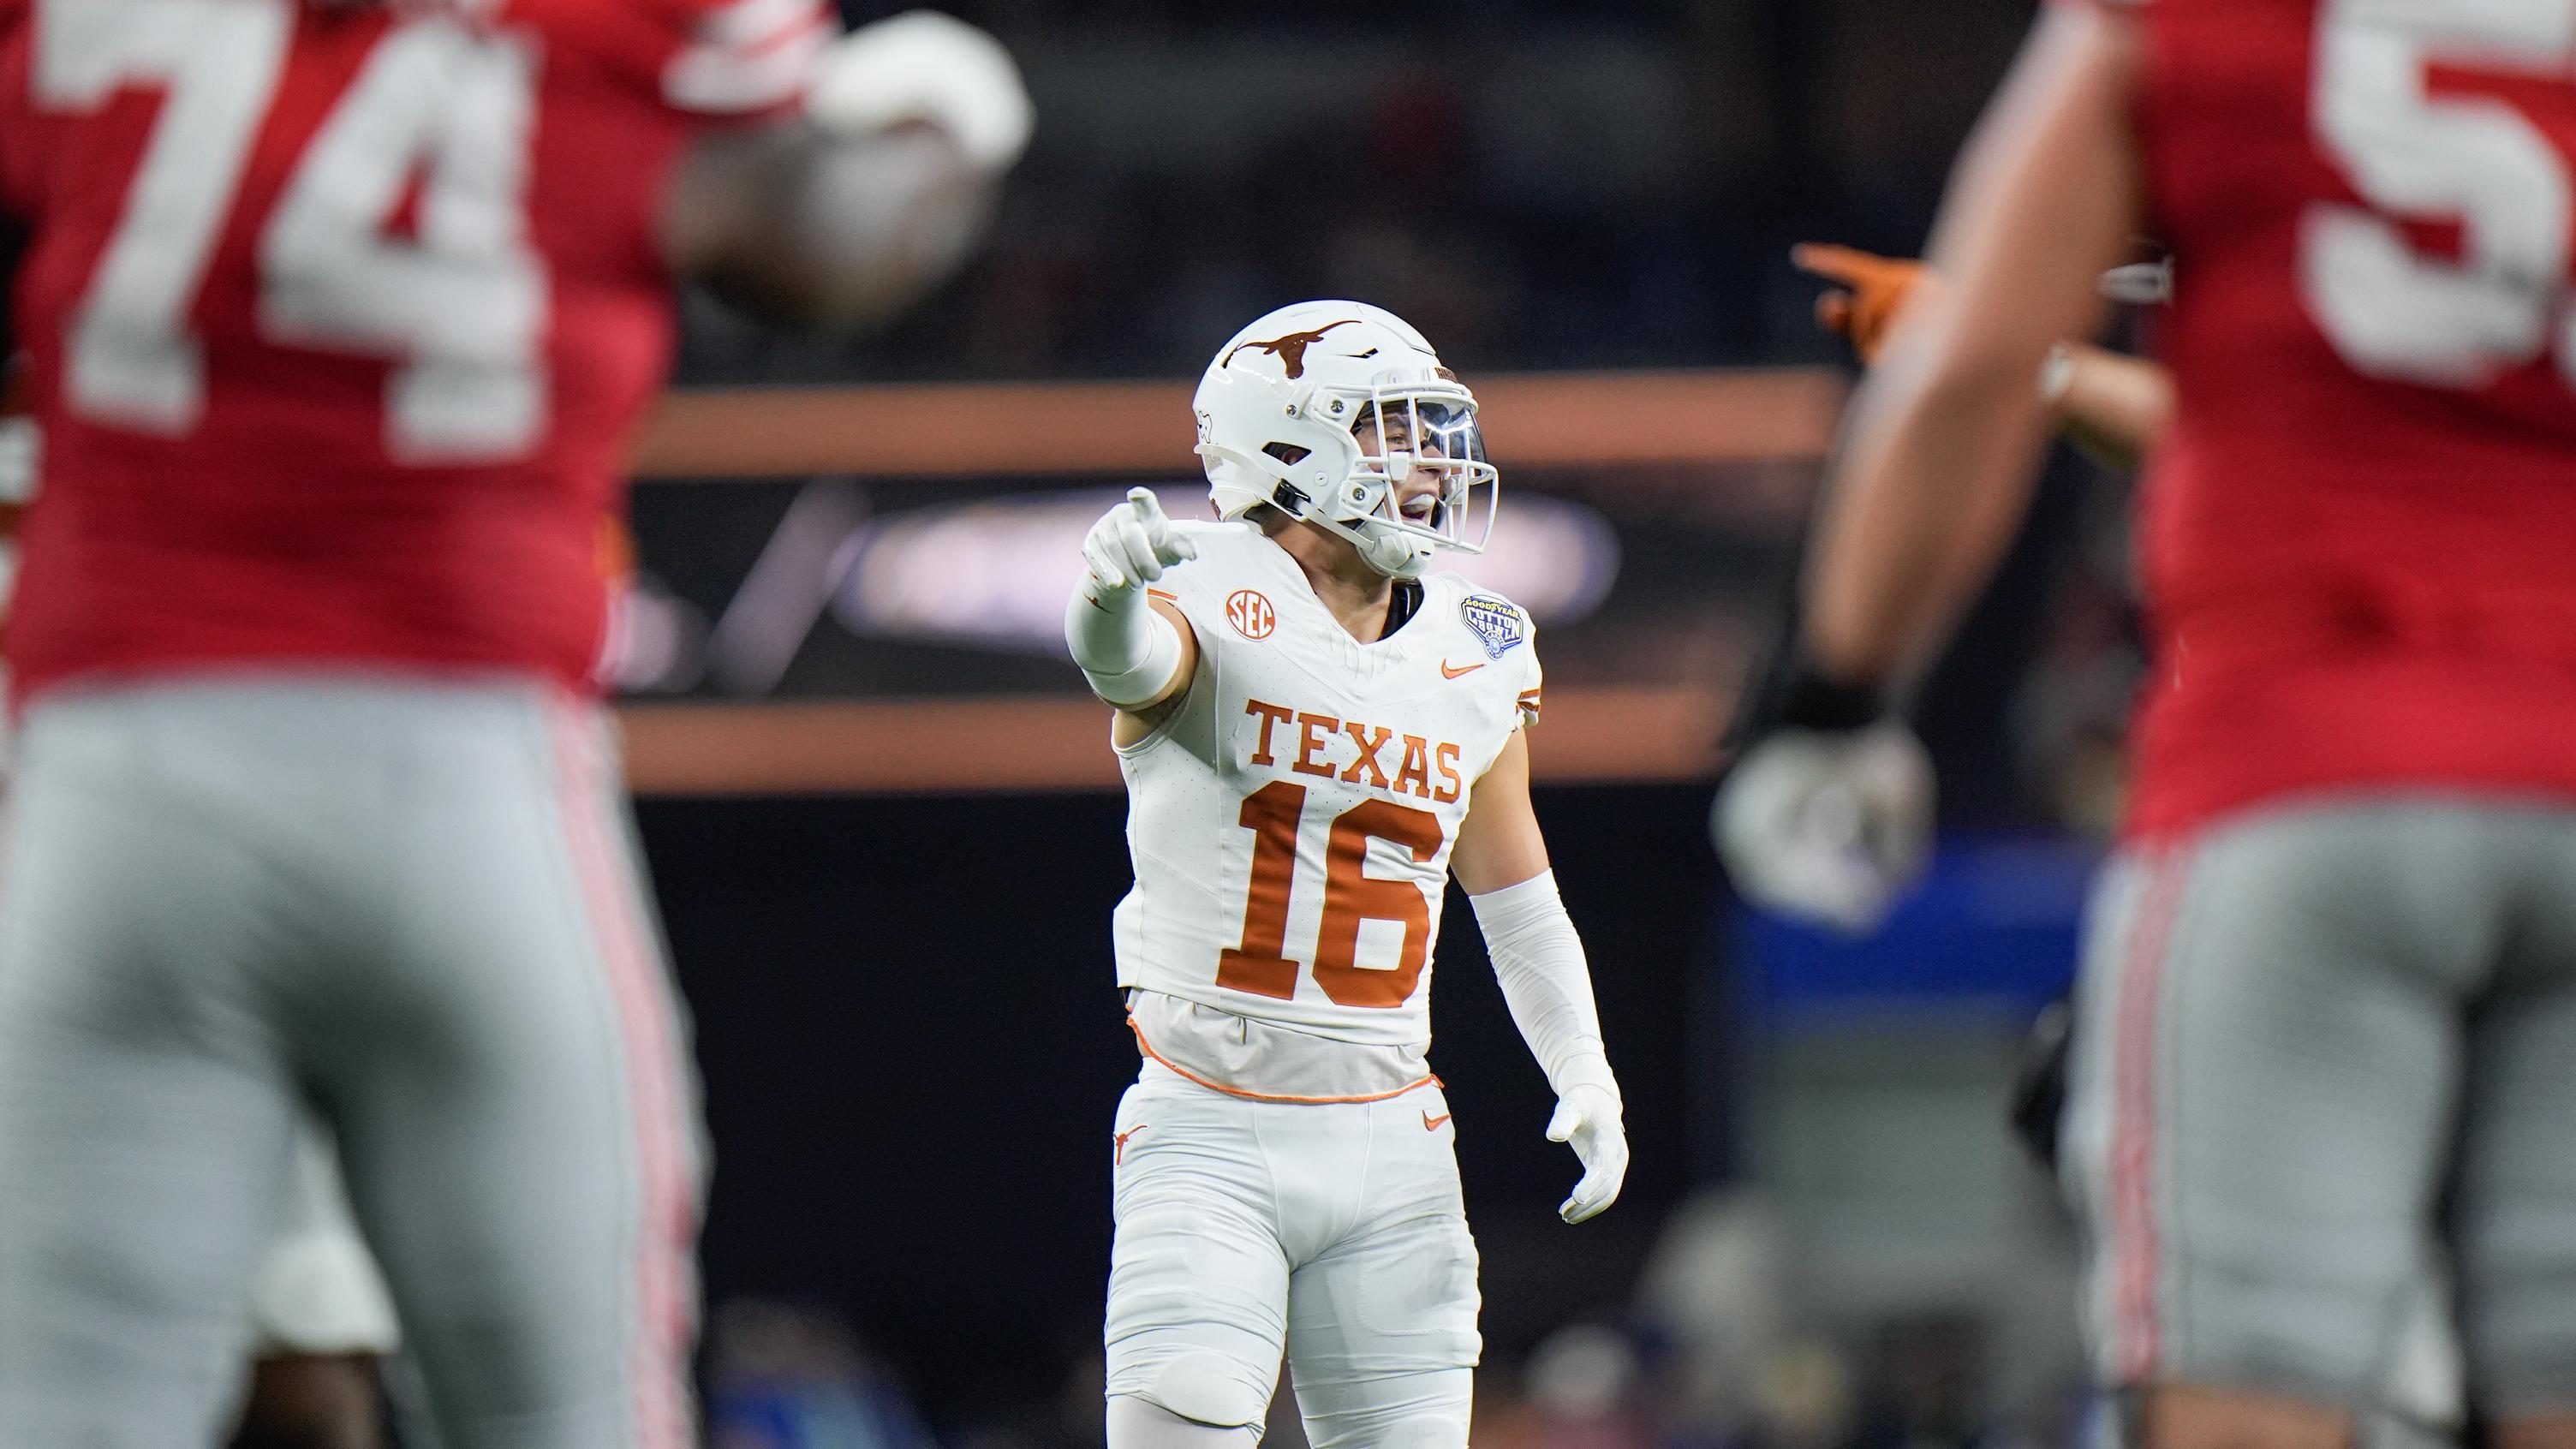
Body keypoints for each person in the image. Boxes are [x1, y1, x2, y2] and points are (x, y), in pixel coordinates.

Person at [0, 3, 1029, 1446]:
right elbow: (824, 247)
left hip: (114, 776)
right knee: (571, 1409)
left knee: (69, 1404)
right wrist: (949, 125)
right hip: (457, 769)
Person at [1714, 3, 2576, 1449]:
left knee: (2247, 1384)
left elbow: (1977, 369)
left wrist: (1833, 700)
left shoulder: (2210, 27)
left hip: (2303, 784)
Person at [1066, 300, 1630, 1449]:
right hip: (1209, 1127)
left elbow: (1517, 902)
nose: (1431, 463)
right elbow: (1129, 665)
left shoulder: (1475, 644)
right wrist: (1106, 597)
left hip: (1394, 1139)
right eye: (1390, 429)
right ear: (1285, 447)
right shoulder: (1202, 592)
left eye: (1434, 429)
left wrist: (1583, 1065)